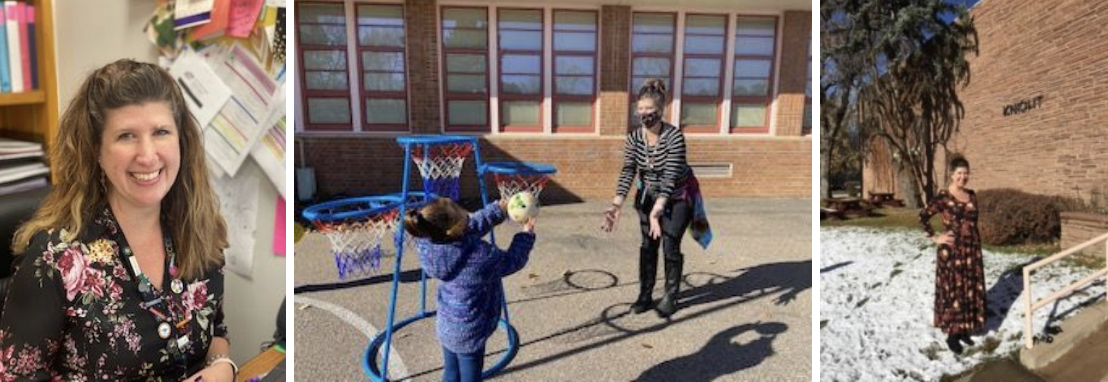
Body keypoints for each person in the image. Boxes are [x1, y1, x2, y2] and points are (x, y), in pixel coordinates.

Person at [1, 59, 234, 381]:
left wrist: (222, 364)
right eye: (126, 136)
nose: (148, 154)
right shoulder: (55, 259)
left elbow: (216, 327)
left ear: (182, 141)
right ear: (96, 150)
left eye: (161, 132)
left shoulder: (198, 230)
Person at [403, 198, 536, 382]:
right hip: (470, 330)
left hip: (447, 324)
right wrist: (526, 236)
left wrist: (498, 209)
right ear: (457, 228)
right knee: (470, 378)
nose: (469, 216)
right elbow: (512, 261)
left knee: (451, 373)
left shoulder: (428, 244)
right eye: (464, 215)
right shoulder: (480, 256)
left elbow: (472, 227)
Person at [602, 78, 698, 318]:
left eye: (649, 109)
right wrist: (616, 204)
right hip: (647, 195)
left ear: (661, 110)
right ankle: (645, 294)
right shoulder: (634, 138)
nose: (644, 114)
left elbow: (670, 175)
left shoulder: (674, 137)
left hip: (676, 196)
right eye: (641, 109)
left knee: (670, 243)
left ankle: (670, 295)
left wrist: (659, 209)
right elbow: (628, 170)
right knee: (648, 245)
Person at [918, 154, 985, 355]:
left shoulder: (971, 195)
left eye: (965, 173)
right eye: (959, 173)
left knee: (969, 289)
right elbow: (923, 217)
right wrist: (935, 237)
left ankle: (964, 328)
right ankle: (952, 334)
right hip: (952, 253)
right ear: (951, 174)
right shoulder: (944, 197)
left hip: (971, 251)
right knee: (954, 292)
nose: (962, 177)